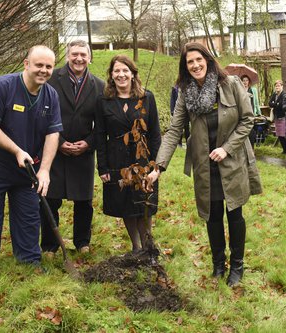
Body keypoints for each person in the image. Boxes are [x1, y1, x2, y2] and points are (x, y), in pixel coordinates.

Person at [146, 42, 262, 287]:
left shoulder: (230, 84)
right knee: (213, 216)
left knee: (235, 213)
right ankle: (219, 265)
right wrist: (159, 166)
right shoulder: (185, 94)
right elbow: (175, 130)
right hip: (204, 165)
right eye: (190, 62)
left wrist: (226, 148)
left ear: (208, 60)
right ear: (185, 67)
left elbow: (247, 120)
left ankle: (237, 265)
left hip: (232, 162)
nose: (195, 65)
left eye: (199, 59)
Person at [0, 45, 62, 280]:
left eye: (48, 66)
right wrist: (18, 150)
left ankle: (29, 260)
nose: (43, 70)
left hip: (26, 170)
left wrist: (45, 171)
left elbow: (53, 133)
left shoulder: (50, 95)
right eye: (38, 65)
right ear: (26, 64)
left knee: (28, 216)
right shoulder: (3, 86)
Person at [40, 40, 105, 255]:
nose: (79, 59)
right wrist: (58, 142)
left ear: (89, 58)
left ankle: (82, 243)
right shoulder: (52, 80)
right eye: (75, 54)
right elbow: (41, 115)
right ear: (68, 56)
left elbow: (103, 124)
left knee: (84, 202)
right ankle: (50, 245)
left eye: (83, 55)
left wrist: (88, 143)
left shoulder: (99, 85)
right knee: (50, 200)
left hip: (83, 151)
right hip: (54, 148)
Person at [95, 55, 162, 252]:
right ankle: (136, 246)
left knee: (143, 204)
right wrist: (103, 167)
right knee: (125, 204)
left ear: (133, 74)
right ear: (111, 75)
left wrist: (155, 165)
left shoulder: (146, 98)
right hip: (117, 160)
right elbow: (100, 135)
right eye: (117, 70)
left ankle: (148, 246)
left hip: (142, 158)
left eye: (125, 70)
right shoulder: (103, 101)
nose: (121, 74)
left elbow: (156, 134)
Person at [241, 75, 262, 148]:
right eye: (243, 80)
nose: (245, 82)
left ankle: (252, 147)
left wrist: (259, 113)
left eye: (246, 80)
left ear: (249, 81)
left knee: (251, 130)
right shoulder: (239, 90)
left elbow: (256, 102)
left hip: (251, 112)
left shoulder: (253, 90)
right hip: (242, 113)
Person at [268, 80, 286, 154]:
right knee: (279, 134)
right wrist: (276, 104)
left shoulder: (284, 94)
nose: (277, 87)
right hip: (276, 116)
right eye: (276, 86)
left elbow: (281, 105)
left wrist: (274, 104)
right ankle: (284, 149)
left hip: (282, 116)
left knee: (283, 134)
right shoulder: (274, 94)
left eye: (279, 86)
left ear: (282, 86)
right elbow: (270, 103)